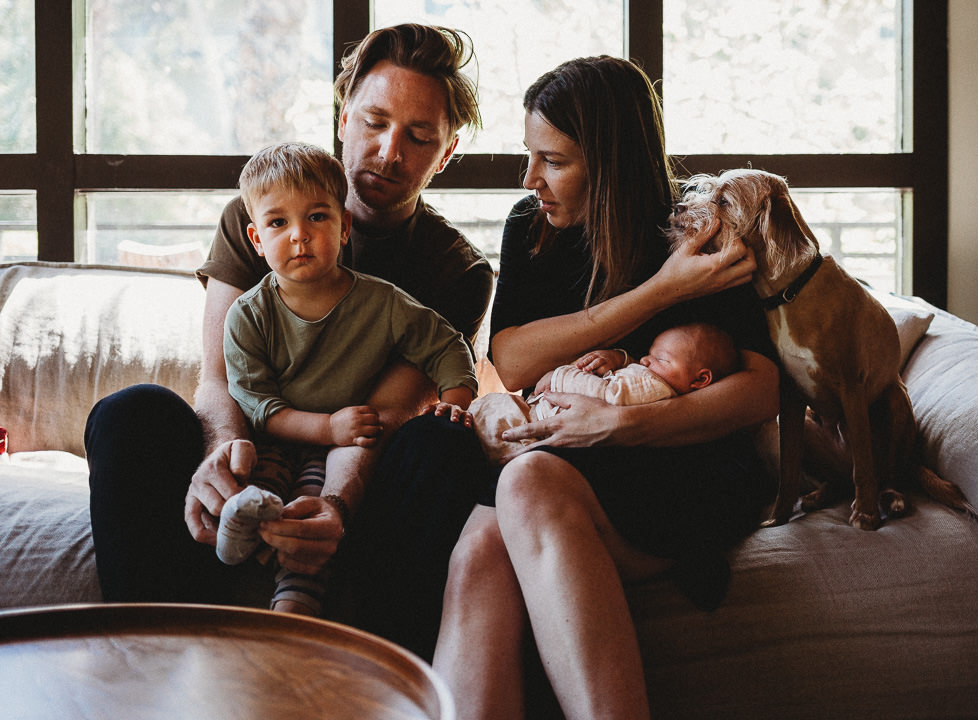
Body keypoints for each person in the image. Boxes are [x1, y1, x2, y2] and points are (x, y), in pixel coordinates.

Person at [84, 24, 493, 659]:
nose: (388, 153)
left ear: (445, 154)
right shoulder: (263, 214)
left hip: (355, 466)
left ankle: (383, 677)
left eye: (418, 137)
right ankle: (148, 660)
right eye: (375, 122)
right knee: (129, 413)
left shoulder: (455, 270)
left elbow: (383, 416)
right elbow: (220, 379)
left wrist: (335, 507)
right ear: (343, 118)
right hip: (254, 438)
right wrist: (220, 458)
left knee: (440, 444)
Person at [430, 56, 780, 720]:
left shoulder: (702, 230)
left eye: (553, 161)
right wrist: (660, 293)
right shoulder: (531, 227)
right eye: (531, 156)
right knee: (480, 545)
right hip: (572, 456)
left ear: (611, 162)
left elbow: (760, 390)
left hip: (681, 463)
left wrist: (621, 425)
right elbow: (513, 356)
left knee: (524, 484)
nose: (530, 178)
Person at [216, 141, 476, 616]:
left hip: (338, 451)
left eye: (317, 217)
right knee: (257, 487)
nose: (300, 236)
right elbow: (255, 404)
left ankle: (292, 610)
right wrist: (326, 425)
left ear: (344, 227)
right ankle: (237, 538)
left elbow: (446, 346)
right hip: (278, 438)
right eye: (279, 223)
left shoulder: (383, 303)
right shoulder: (248, 314)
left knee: (307, 510)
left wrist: (455, 400)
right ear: (256, 239)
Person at [469, 322, 739, 465]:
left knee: (491, 416)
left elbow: (607, 395)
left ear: (700, 379)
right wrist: (620, 358)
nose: (645, 361)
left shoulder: (657, 388)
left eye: (661, 359)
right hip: (537, 418)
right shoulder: (653, 380)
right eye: (648, 354)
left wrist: (561, 375)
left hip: (532, 427)